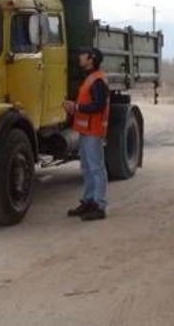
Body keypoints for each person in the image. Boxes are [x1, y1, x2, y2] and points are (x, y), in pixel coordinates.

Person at [63, 48, 110, 221]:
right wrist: (74, 106)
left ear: (91, 59)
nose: (80, 57)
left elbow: (98, 105)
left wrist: (76, 108)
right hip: (86, 129)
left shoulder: (97, 80)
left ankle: (99, 205)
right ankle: (89, 200)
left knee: (96, 168)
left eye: (83, 55)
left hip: (93, 130)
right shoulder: (91, 78)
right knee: (87, 167)